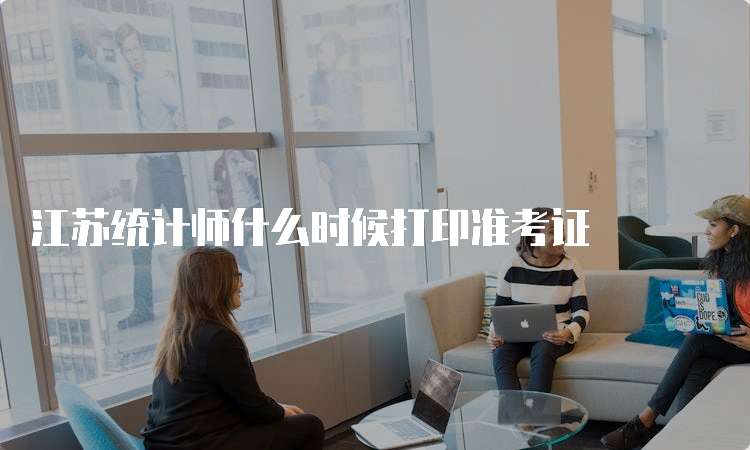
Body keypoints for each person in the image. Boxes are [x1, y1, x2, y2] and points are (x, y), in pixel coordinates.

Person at [601, 194, 750, 450]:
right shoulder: (723, 260)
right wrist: (697, 320)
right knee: (699, 363)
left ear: (734, 230)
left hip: (746, 344)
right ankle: (679, 438)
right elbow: (722, 309)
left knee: (698, 341)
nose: (706, 231)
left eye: (713, 225)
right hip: (728, 339)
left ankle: (645, 420)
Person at [71, 20, 193, 328]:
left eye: (137, 48)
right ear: (123, 54)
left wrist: (180, 119)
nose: (135, 55)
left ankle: (198, 305)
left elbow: (182, 108)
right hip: (146, 168)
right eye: (128, 51)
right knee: (140, 240)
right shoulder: (129, 76)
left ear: (143, 48)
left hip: (168, 166)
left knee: (186, 238)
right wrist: (83, 37)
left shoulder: (159, 78)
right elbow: (103, 61)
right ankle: (142, 308)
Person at [141, 246, 324, 450]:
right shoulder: (217, 339)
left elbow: (234, 401)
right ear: (215, 284)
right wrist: (280, 411)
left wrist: (277, 409)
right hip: (199, 443)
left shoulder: (178, 331)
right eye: (236, 276)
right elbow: (254, 408)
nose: (241, 283)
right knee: (310, 425)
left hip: (166, 443)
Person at [308, 31, 391, 294]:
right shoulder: (313, 84)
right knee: (349, 224)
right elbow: (310, 126)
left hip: (355, 158)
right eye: (321, 51)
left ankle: (382, 276)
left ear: (338, 57)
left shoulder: (348, 82)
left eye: (328, 53)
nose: (322, 57)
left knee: (369, 219)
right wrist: (319, 160)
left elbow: (358, 118)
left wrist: (334, 115)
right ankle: (370, 277)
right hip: (333, 162)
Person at [487, 207, 590, 393]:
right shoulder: (511, 265)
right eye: (553, 231)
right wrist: (494, 334)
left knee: (543, 352)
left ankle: (535, 410)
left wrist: (568, 333)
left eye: (562, 230)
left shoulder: (572, 267)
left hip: (555, 336)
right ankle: (513, 408)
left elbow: (582, 312)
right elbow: (499, 311)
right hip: (515, 337)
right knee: (500, 353)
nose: (561, 236)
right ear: (533, 237)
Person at [213, 116, 263, 297]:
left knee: (240, 241)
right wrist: (236, 219)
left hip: (256, 208)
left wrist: (255, 172)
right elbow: (223, 198)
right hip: (237, 213)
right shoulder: (219, 165)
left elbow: (266, 187)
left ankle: (250, 285)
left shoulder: (250, 156)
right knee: (230, 247)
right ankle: (247, 283)